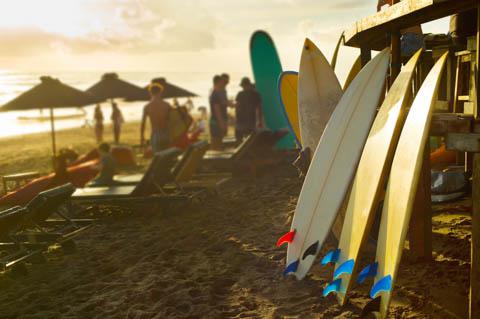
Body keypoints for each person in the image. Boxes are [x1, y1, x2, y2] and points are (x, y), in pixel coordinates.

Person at [140, 83, 171, 154]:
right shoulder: (167, 105)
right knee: (168, 157)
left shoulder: (147, 106)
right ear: (160, 92)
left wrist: (142, 137)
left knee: (158, 158)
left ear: (150, 93)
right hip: (166, 134)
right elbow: (172, 120)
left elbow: (143, 124)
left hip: (155, 134)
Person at [234, 77, 263, 142]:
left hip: (241, 121)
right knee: (250, 140)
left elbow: (237, 107)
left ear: (243, 85)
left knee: (239, 140)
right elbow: (259, 109)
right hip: (251, 121)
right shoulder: (256, 94)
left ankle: (241, 150)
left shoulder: (240, 94)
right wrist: (260, 121)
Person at [209, 75, 228, 150]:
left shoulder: (216, 93)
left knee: (218, 142)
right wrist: (221, 123)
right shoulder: (215, 94)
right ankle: (214, 160)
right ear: (217, 82)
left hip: (217, 121)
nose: (223, 83)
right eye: (221, 82)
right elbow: (217, 111)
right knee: (216, 143)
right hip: (216, 122)